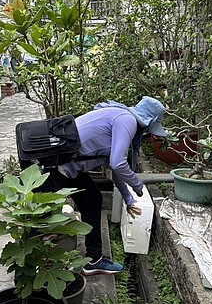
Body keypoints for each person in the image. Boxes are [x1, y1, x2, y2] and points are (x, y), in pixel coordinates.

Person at [36, 96, 167, 276]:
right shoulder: (126, 120)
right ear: (147, 122)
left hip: (70, 166)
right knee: (39, 222)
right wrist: (137, 185)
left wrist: (129, 199)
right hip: (55, 169)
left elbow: (113, 166)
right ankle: (36, 271)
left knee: (92, 199)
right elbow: (118, 163)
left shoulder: (117, 114)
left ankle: (94, 261)